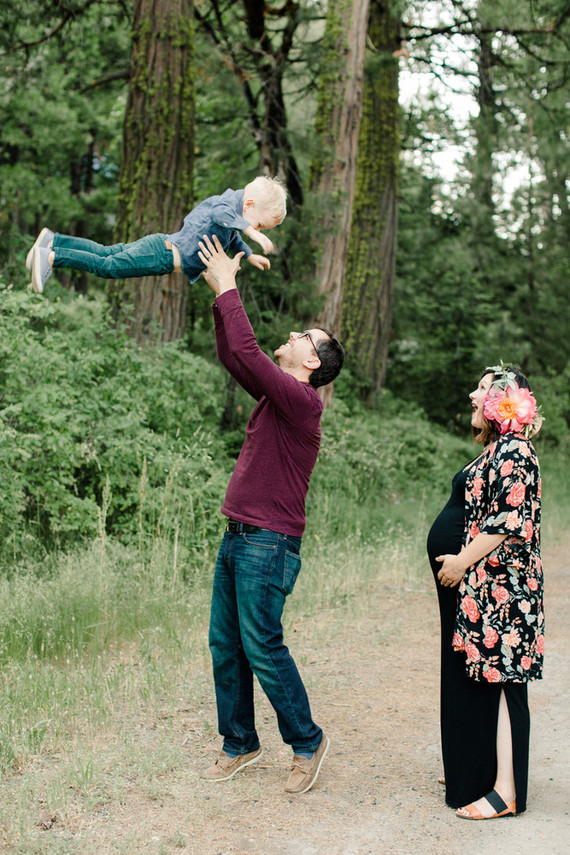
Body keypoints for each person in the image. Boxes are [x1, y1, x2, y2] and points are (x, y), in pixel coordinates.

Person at [197, 233, 345, 794]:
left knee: (262, 645)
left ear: (312, 360)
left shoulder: (302, 401)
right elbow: (237, 354)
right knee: (225, 643)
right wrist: (219, 295)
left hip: (269, 543)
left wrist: (232, 287)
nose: (291, 335)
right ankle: (239, 743)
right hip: (238, 536)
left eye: (301, 336)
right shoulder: (275, 395)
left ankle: (307, 742)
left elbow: (254, 354)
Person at [427, 364, 544, 820]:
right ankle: (481, 771)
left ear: (503, 402)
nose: (474, 398)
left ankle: (506, 793)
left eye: (483, 391)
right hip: (488, 587)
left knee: (507, 686)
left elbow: (507, 523)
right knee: (490, 683)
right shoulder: (499, 450)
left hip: (507, 589)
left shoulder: (516, 451)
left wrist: (460, 560)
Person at [27, 175, 286, 293]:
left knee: (107, 253)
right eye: (261, 225)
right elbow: (223, 216)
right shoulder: (225, 206)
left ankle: (53, 240)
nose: (257, 229)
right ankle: (51, 257)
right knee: (107, 267)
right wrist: (253, 232)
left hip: (160, 247)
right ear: (249, 206)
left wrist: (250, 254)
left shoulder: (235, 217)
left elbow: (233, 235)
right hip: (161, 254)